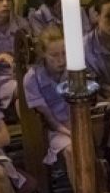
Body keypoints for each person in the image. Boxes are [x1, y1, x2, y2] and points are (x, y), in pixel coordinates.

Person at [24, 26, 76, 183]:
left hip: (75, 122)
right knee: (72, 149)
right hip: (55, 130)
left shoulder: (74, 70)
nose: (61, 60)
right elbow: (49, 120)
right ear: (43, 54)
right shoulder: (32, 78)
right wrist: (70, 133)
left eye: (64, 53)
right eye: (54, 55)